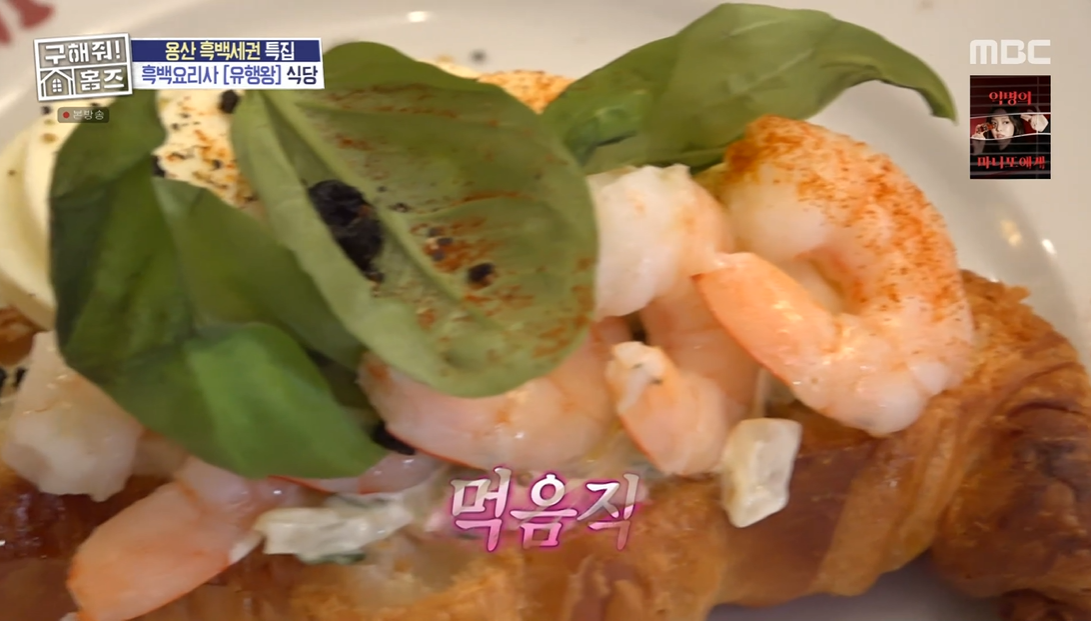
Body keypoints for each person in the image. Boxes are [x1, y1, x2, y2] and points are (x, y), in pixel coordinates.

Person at [970, 106, 1050, 179]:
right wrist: (977, 152)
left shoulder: (1030, 153)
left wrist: (1045, 129)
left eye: (1006, 122)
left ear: (1015, 125)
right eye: (994, 123)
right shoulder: (984, 155)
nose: (999, 129)